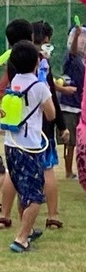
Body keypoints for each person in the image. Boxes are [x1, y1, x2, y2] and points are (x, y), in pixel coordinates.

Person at [2, 40, 55, 252]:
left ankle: (28, 229)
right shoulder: (39, 87)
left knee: (22, 188)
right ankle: (21, 238)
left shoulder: (12, 84)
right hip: (29, 147)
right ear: (36, 61)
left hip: (10, 145)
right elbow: (51, 114)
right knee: (34, 195)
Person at [0, 19, 34, 229]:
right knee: (15, 171)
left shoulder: (5, 57)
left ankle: (4, 212)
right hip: (19, 121)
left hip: (7, 116)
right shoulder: (24, 61)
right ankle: (9, 213)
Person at [59, 25, 86, 179]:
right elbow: (72, 50)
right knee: (70, 142)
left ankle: (82, 171)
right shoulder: (70, 57)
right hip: (69, 105)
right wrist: (77, 35)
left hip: (81, 105)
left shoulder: (85, 60)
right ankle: (68, 171)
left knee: (81, 141)